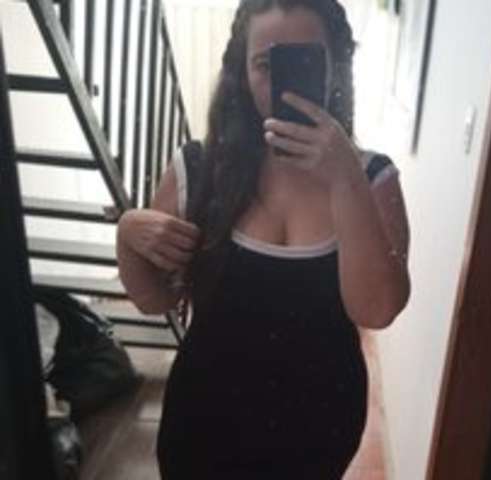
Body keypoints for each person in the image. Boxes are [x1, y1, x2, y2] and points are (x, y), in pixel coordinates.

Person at [116, 0, 410, 477]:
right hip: (204, 420)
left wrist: (344, 178)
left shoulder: (373, 178)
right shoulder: (198, 169)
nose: (280, 82)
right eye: (264, 64)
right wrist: (127, 234)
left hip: (319, 426)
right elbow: (154, 300)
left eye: (305, 59)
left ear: (335, 65)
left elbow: (376, 310)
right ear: (241, 71)